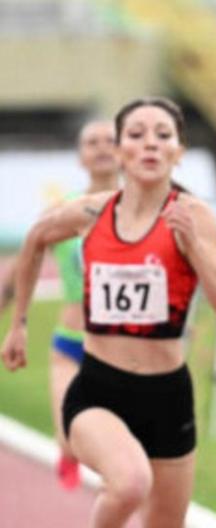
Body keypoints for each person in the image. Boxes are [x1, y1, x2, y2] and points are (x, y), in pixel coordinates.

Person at [1, 96, 216, 527]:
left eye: (163, 135)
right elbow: (37, 237)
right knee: (131, 483)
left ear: (178, 152)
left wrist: (196, 247)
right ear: (119, 151)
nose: (150, 144)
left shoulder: (194, 217)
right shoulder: (92, 212)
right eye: (136, 134)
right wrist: (18, 324)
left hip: (168, 395)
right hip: (99, 388)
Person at [0, 120, 119, 490]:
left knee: (116, 449)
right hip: (71, 342)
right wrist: (15, 321)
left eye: (110, 140)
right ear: (80, 157)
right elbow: (25, 262)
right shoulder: (64, 211)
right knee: (70, 439)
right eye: (92, 142)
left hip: (123, 347)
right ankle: (67, 451)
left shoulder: (140, 209)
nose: (102, 147)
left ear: (124, 151)